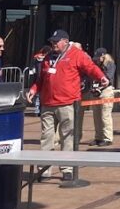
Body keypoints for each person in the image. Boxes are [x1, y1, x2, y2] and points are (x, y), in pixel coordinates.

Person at [26, 30, 106, 181]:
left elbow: (90, 67)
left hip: (67, 103)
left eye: (56, 41)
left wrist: (101, 77)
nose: (53, 44)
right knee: (46, 136)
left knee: (67, 137)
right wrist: (33, 89)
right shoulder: (48, 57)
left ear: (65, 41)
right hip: (48, 103)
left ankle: (67, 168)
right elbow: (41, 78)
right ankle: (44, 169)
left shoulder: (76, 54)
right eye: (52, 41)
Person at [90, 48, 120, 147]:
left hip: (106, 91)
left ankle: (107, 138)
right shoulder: (95, 65)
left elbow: (108, 77)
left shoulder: (110, 64)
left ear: (103, 56)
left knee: (105, 116)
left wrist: (100, 84)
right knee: (96, 116)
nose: (96, 60)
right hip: (96, 92)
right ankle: (98, 137)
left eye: (98, 58)